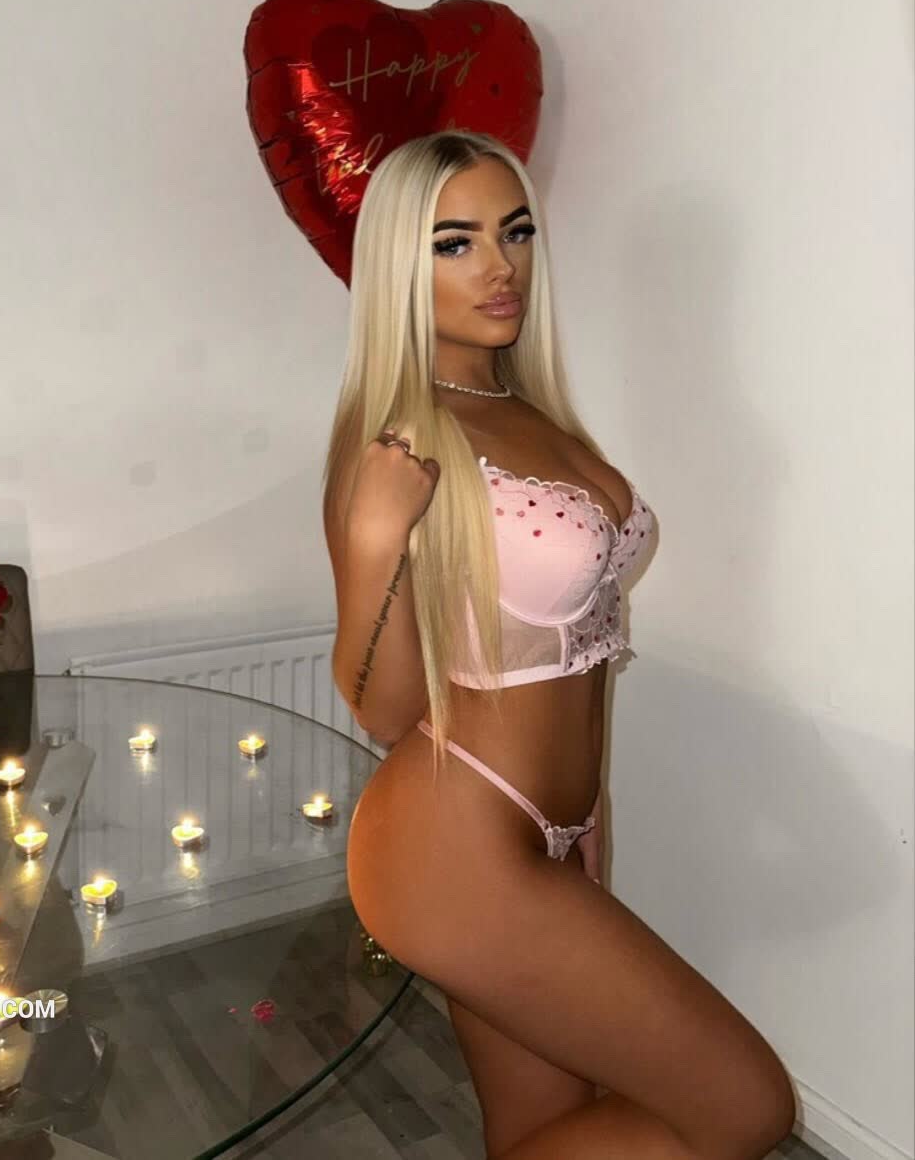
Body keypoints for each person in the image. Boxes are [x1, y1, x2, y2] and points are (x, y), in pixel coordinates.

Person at [322, 129, 796, 1159]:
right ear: (399, 264)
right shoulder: (397, 440)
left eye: (517, 231)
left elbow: (585, 643)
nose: (500, 266)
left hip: (545, 828)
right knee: (747, 1106)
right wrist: (372, 541)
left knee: (544, 1129)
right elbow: (382, 706)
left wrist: (588, 810)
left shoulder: (531, 411)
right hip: (448, 843)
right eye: (455, 243)